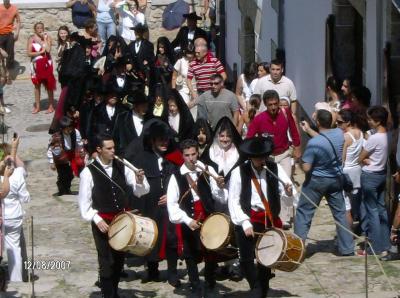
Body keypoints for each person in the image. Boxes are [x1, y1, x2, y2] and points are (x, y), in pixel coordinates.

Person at [78, 133, 149, 298]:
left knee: (118, 260)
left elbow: (141, 191)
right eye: (108, 148)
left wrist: (139, 180)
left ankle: (114, 292)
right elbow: (84, 204)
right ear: (99, 149)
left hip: (122, 221)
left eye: (114, 147)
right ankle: (107, 295)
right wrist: (96, 218)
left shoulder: (122, 165)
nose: (113, 151)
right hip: (102, 222)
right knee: (106, 262)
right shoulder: (88, 172)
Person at [228, 136, 291, 297]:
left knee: (266, 256)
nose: (262, 160)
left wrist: (288, 192)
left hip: (268, 218)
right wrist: (244, 223)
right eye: (258, 157)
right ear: (250, 157)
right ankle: (255, 286)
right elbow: (233, 201)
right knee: (247, 258)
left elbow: (287, 193)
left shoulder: (274, 168)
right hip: (248, 217)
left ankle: (262, 288)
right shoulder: (239, 172)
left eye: (264, 156)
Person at [125, 119, 182, 287]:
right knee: (150, 236)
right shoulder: (142, 158)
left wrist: (172, 197)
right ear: (152, 141)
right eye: (160, 139)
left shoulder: (174, 157)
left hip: (170, 206)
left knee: (171, 238)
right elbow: (135, 184)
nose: (165, 143)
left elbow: (183, 181)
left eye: (166, 139)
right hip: (149, 204)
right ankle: (152, 270)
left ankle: (172, 272)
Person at [166, 139, 226, 296]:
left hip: (208, 216)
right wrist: (187, 220)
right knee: (190, 253)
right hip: (189, 218)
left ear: (198, 153)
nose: (191, 158)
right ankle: (195, 284)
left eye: (194, 154)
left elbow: (220, 198)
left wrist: (220, 187)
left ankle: (210, 281)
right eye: (187, 155)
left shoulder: (207, 169)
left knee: (211, 249)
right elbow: (172, 205)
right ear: (182, 156)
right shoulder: (176, 176)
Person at [294, 109, 354, 256]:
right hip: (335, 179)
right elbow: (324, 138)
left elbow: (307, 168)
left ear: (318, 122)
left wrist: (299, 158)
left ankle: (297, 249)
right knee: (340, 214)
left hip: (317, 180)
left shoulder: (314, 143)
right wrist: (308, 130)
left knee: (304, 213)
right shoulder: (339, 134)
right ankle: (347, 248)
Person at [358, 106, 391, 256]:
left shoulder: (374, 138)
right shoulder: (388, 136)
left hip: (370, 175)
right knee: (381, 209)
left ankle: (376, 246)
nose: (368, 122)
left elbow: (360, 157)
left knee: (372, 211)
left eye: (370, 119)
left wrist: (364, 160)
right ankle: (385, 243)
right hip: (382, 174)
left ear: (377, 121)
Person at [247, 90, 301, 178]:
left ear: (278, 102)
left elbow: (293, 130)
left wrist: (297, 146)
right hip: (267, 157)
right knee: (270, 184)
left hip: (284, 154)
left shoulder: (286, 113)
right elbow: (249, 138)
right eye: (270, 104)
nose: (273, 107)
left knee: (286, 181)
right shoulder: (259, 119)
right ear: (265, 104)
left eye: (275, 104)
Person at [2, 149, 30, 282]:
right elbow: (25, 198)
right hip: (13, 215)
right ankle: (16, 279)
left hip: (3, 215)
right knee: (13, 248)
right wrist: (14, 150)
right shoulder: (17, 174)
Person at [336, 109, 363, 230]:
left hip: (346, 172)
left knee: (346, 207)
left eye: (340, 122)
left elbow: (341, 159)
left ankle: (348, 234)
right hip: (357, 170)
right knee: (355, 204)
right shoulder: (360, 133)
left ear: (348, 122)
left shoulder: (346, 137)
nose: (337, 125)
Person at [48, 116, 85, 196]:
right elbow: (50, 149)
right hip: (60, 158)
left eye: (70, 128)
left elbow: (79, 143)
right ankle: (61, 190)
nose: (69, 131)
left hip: (71, 155)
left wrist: (81, 152)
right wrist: (51, 162)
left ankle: (67, 188)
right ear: (62, 128)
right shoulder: (56, 137)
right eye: (67, 129)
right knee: (62, 174)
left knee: (70, 175)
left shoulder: (75, 132)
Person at [27, 22, 56, 114]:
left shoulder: (47, 37)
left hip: (47, 62)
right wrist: (40, 52)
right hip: (36, 63)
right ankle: (38, 106)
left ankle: (51, 106)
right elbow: (28, 53)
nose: (40, 30)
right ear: (35, 29)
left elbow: (47, 50)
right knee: (37, 85)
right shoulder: (31, 39)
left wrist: (44, 39)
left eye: (41, 28)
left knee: (49, 84)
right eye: (38, 28)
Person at [112, 90, 148, 155]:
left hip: (145, 156)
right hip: (127, 156)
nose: (145, 108)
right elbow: (115, 138)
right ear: (135, 106)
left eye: (146, 105)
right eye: (142, 106)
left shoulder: (149, 118)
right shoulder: (122, 117)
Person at [171, 46, 196, 118]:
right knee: (183, 109)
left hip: (195, 90)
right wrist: (174, 91)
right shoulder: (180, 61)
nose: (190, 55)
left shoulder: (197, 62)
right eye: (188, 53)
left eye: (191, 53)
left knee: (193, 114)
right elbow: (174, 77)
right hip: (183, 89)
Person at [0, 0, 20, 85]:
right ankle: (3, 76)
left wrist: (17, 33)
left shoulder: (14, 8)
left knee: (9, 56)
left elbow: (18, 21)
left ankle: (7, 76)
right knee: (1, 56)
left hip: (9, 35)